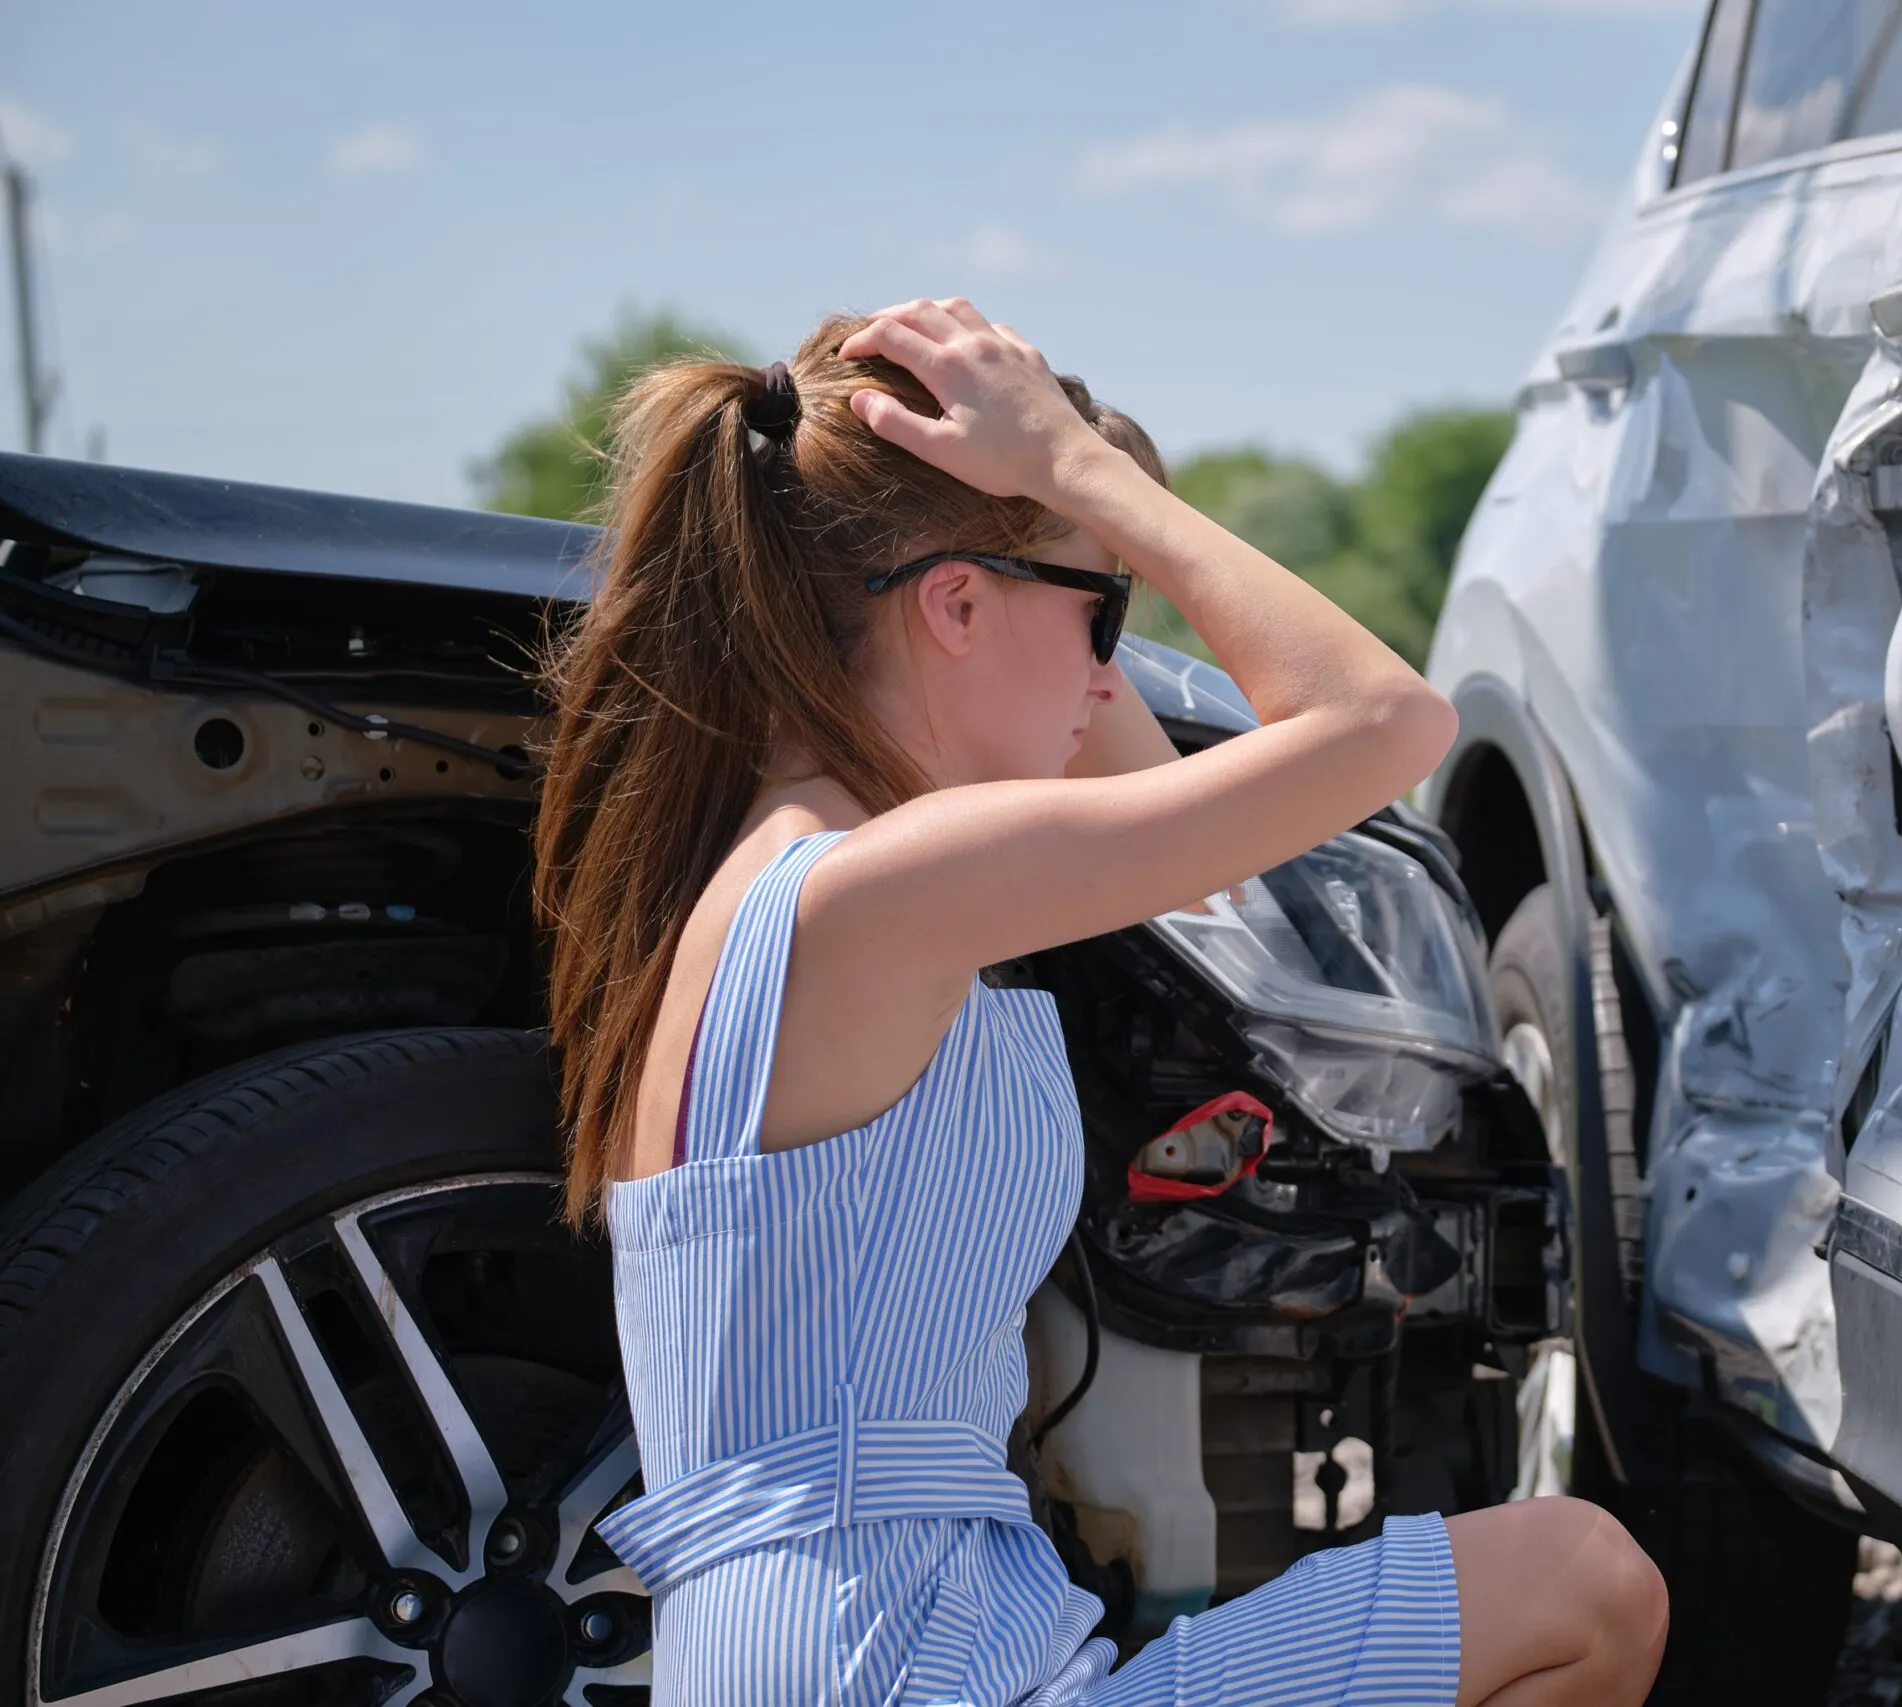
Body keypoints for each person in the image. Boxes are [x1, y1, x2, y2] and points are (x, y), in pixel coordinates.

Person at [533, 297, 1668, 1707]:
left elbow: (1148, 795)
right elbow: (1387, 724)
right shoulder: (878, 884)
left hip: (874, 1654)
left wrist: (1076, 513)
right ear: (954, 606)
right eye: (1099, 616)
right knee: (1585, 1582)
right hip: (891, 1672)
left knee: (1575, 1580)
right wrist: (1078, 477)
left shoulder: (791, 873)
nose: (1105, 671)